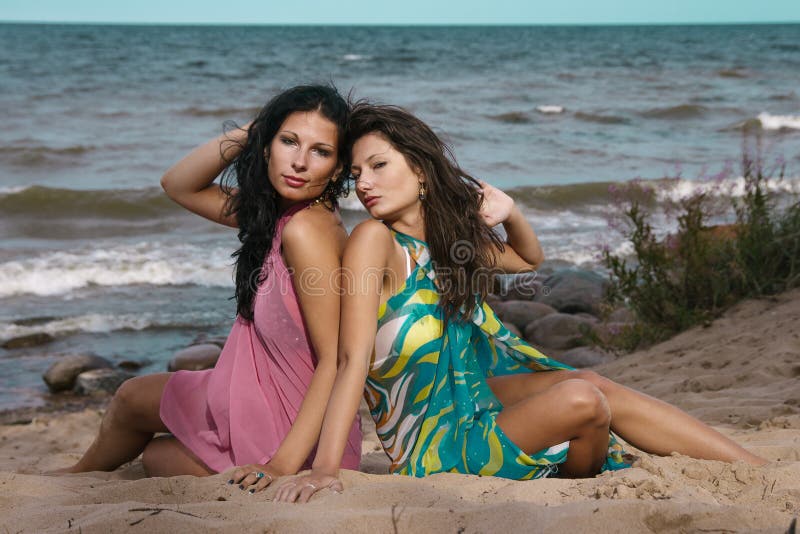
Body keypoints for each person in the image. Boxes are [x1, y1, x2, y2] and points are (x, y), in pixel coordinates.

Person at [274, 103, 766, 503]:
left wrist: (511, 212)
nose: (364, 183)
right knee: (582, 399)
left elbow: (527, 259)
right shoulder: (372, 241)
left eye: (379, 166)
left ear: (420, 171)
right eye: (357, 171)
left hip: (471, 405)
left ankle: (758, 470)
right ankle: (574, 470)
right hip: (432, 446)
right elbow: (350, 359)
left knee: (591, 381)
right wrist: (324, 469)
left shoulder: (445, 243)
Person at [51, 85, 361, 489]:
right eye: (288, 141)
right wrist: (256, 128)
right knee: (130, 397)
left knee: (157, 456)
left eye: (320, 151)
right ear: (266, 147)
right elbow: (178, 184)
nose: (299, 162)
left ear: (337, 169)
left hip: (292, 423)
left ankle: (71, 481)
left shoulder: (307, 230)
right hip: (251, 390)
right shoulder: (277, 216)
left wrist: (282, 466)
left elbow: (333, 360)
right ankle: (75, 477)